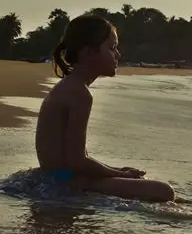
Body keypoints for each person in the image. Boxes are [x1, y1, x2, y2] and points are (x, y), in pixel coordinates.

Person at [34, 14, 175, 202]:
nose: (118, 55)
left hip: (59, 175)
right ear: (88, 53)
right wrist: (120, 175)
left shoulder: (70, 86)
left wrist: (117, 171)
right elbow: (77, 162)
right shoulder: (79, 94)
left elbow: (75, 157)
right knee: (163, 191)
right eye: (112, 48)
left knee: (145, 185)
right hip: (64, 180)